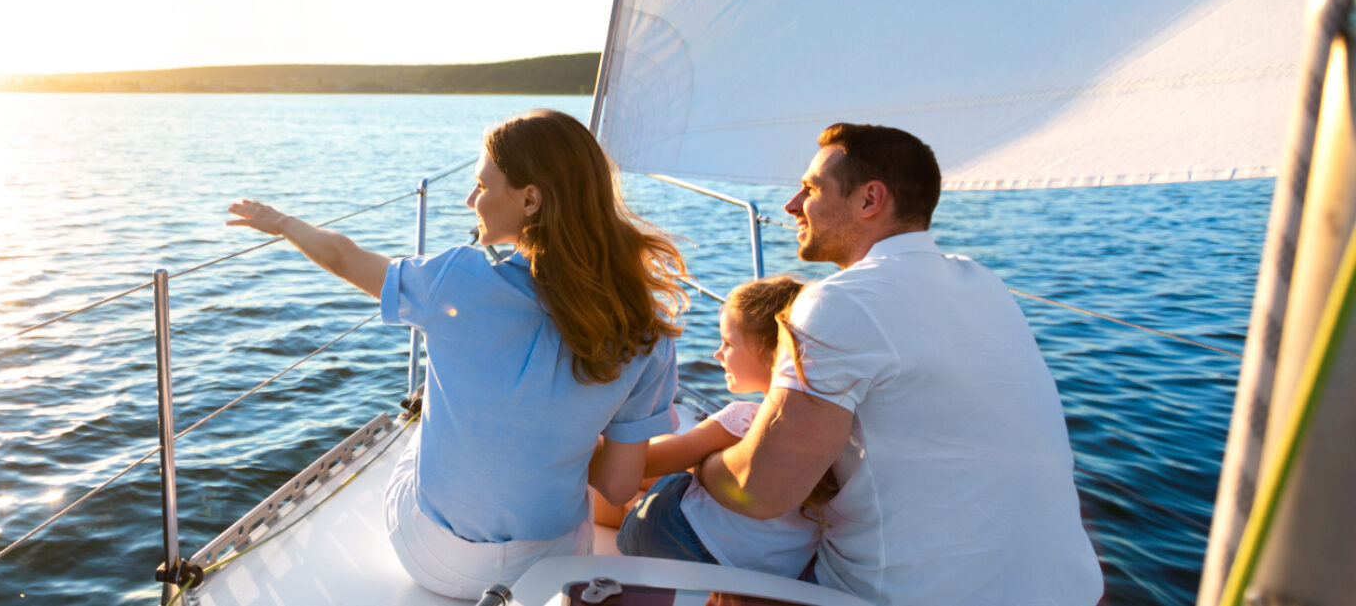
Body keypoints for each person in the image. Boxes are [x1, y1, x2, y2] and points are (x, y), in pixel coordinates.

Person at [224, 109, 688, 599]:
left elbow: (345, 257)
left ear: (531, 199)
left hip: (433, 558)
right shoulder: (646, 332)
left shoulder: (455, 278)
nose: (470, 200)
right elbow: (619, 488)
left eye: (482, 186)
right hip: (551, 566)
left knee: (423, 423)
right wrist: (557, 442)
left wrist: (283, 223)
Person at [643, 123, 1101, 605]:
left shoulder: (838, 302)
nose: (792, 205)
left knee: (663, 513)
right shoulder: (984, 282)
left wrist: (700, 463)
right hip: (1068, 590)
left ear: (870, 200)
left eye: (812, 188)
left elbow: (762, 490)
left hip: (905, 597)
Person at [609, 275, 841, 582]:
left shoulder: (742, 421)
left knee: (651, 485)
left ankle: (627, 512)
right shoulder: (834, 430)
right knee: (680, 458)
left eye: (728, 343)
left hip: (677, 543)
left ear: (773, 354)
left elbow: (638, 466)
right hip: (775, 572)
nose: (717, 354)